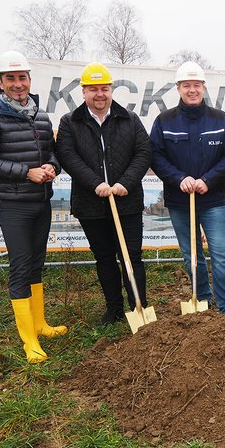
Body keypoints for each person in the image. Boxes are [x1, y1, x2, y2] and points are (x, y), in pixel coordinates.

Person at [0, 50, 66, 364]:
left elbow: (52, 153)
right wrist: (26, 173)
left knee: (36, 263)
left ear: (29, 80)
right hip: (12, 203)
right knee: (21, 266)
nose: (17, 84)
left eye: (21, 77)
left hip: (41, 201)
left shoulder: (39, 114)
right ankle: (29, 341)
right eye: (10, 78)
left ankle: (40, 324)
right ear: (0, 82)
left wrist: (52, 167)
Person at [56, 63, 152, 326]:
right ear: (84, 92)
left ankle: (138, 307)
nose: (100, 94)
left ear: (111, 90)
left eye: (105, 89)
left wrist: (126, 183)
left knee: (131, 256)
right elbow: (67, 156)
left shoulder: (129, 119)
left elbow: (143, 152)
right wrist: (95, 183)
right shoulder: (70, 122)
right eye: (93, 89)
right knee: (105, 257)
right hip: (91, 203)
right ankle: (114, 309)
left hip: (127, 202)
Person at [149, 61, 225, 314]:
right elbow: (155, 156)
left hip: (213, 201)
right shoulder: (164, 121)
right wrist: (179, 178)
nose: (192, 90)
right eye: (186, 85)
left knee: (222, 256)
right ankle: (202, 303)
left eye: (196, 85)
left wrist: (208, 180)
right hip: (180, 202)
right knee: (192, 257)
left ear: (203, 87)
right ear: (178, 88)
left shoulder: (220, 119)